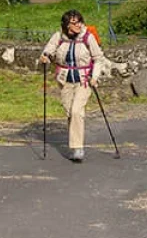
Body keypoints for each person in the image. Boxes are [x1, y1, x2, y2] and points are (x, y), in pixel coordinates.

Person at [40, 9, 106, 162]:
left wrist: (95, 77)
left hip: (84, 80)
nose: (79, 25)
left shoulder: (88, 38)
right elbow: (48, 51)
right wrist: (45, 57)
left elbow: (99, 58)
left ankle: (77, 149)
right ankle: (75, 143)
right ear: (67, 25)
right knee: (71, 112)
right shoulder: (59, 37)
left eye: (80, 22)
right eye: (75, 23)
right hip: (65, 80)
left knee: (77, 111)